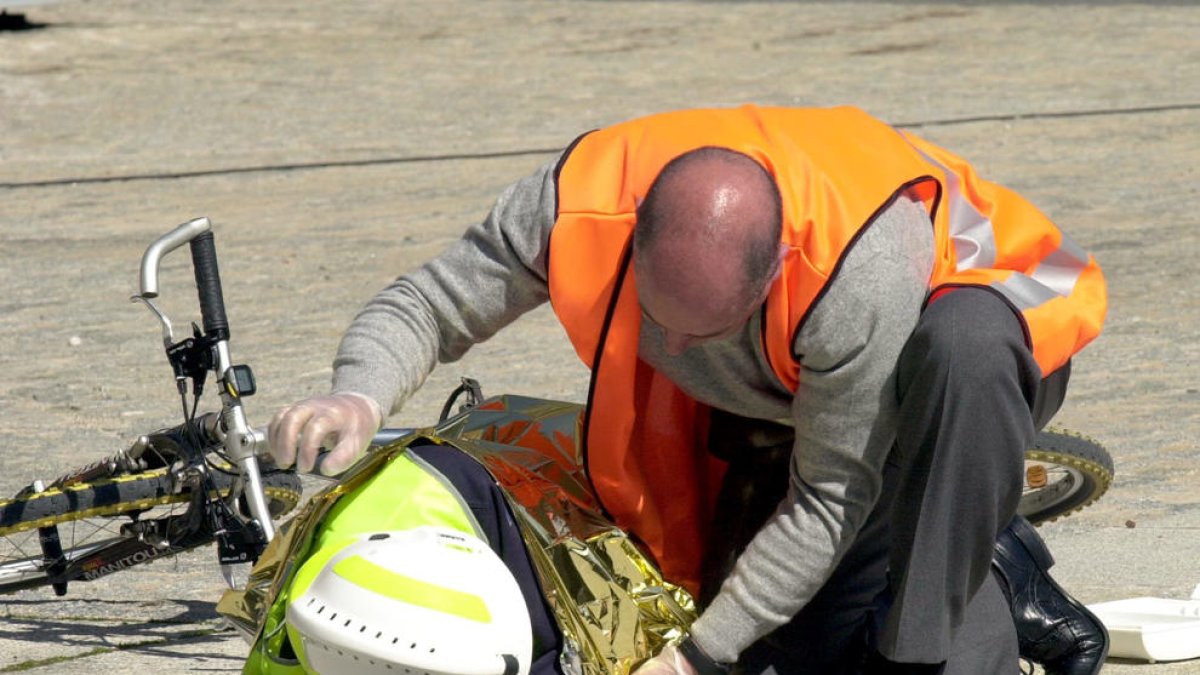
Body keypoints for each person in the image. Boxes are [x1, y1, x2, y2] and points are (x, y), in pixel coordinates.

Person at [269, 105, 1110, 674]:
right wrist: (360, 396)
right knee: (793, 645)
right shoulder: (576, 201)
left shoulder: (860, 273)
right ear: (637, 229)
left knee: (959, 360)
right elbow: (430, 302)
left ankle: (955, 605)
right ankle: (980, 565)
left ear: (777, 268)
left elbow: (827, 498)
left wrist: (693, 657)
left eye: (698, 332)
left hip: (972, 358)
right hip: (781, 397)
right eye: (654, 314)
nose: (666, 346)